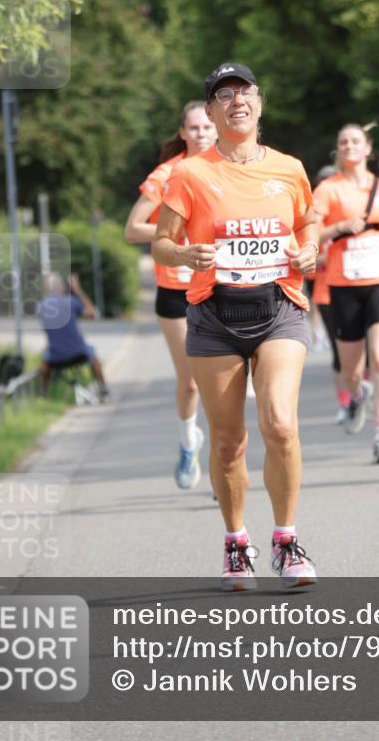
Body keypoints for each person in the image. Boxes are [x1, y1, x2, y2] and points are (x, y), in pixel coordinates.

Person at [152, 62, 319, 591]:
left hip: (279, 308)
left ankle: (287, 540)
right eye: (223, 95)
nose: (235, 101)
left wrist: (311, 248)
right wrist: (186, 252)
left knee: (281, 423)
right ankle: (236, 544)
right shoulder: (190, 174)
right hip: (214, 315)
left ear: (260, 104)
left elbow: (307, 221)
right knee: (227, 444)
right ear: (211, 112)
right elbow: (161, 241)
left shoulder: (289, 168)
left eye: (244, 92)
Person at [125, 102, 217, 490]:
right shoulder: (166, 174)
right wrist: (173, 232)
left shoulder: (226, 169)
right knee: (192, 380)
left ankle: (221, 467)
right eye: (193, 128)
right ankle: (187, 442)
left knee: (219, 381)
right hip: (175, 291)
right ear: (183, 133)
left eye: (207, 127)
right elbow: (132, 228)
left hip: (216, 287)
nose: (200, 134)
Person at [313, 124, 379, 462]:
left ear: (368, 148)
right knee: (351, 370)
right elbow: (311, 236)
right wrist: (340, 227)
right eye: (343, 142)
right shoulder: (328, 190)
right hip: (343, 285)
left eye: (356, 141)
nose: (350, 146)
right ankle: (356, 395)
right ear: (337, 150)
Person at [309, 165, 366, 425]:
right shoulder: (314, 226)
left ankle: (361, 391)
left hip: (358, 288)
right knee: (338, 352)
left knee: (362, 348)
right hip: (327, 291)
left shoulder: (355, 222)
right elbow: (306, 259)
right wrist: (327, 256)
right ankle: (345, 401)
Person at [38, 273, 109, 401]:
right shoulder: (70, 301)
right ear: (61, 287)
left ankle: (44, 393)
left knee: (45, 358)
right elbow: (93, 313)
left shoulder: (41, 306)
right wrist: (78, 290)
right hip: (79, 353)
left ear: (45, 289)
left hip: (55, 356)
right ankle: (102, 388)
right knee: (93, 355)